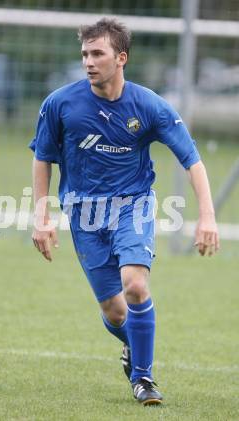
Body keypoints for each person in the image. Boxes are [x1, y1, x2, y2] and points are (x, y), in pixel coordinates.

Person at [30, 18, 219, 406]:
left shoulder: (148, 105)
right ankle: (136, 349)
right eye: (84, 53)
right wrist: (41, 215)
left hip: (133, 206)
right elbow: (42, 158)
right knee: (115, 312)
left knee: (135, 285)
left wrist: (207, 216)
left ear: (121, 58)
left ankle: (143, 378)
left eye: (97, 53)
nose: (88, 61)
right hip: (84, 215)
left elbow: (192, 160)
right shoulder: (60, 104)